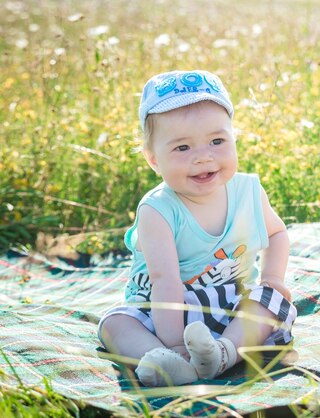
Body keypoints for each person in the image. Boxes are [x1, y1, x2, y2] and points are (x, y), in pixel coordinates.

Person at [97, 70, 297, 387]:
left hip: (231, 305)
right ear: (153, 160)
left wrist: (272, 277)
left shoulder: (247, 192)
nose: (203, 157)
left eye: (217, 141)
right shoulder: (158, 210)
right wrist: (175, 344)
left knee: (271, 300)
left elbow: (276, 233)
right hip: (162, 311)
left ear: (234, 139)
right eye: (182, 148)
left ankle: (221, 354)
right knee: (115, 323)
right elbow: (165, 281)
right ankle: (163, 360)